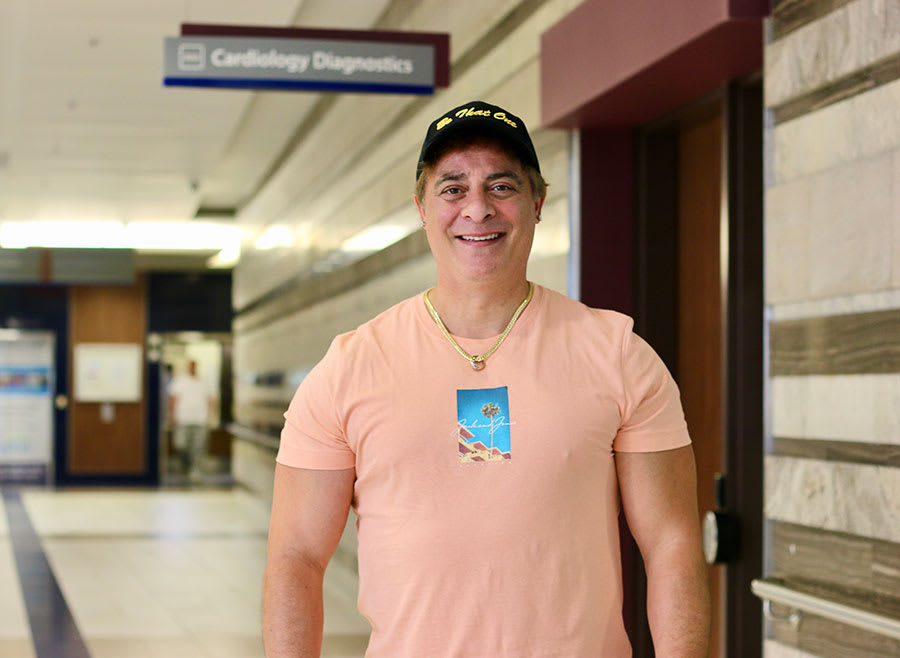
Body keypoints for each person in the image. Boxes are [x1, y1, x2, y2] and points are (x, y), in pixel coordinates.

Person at [263, 101, 710, 657]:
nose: (477, 209)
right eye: (452, 188)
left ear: (538, 202)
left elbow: (671, 544)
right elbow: (296, 557)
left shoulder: (618, 354)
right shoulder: (350, 367)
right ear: (422, 207)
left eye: (501, 186)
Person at [167, 360, 212, 481]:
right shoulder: (180, 381)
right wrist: (172, 416)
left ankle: (196, 471)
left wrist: (210, 416)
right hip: (183, 419)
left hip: (200, 419)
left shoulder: (203, 382)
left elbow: (209, 400)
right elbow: (172, 399)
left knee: (198, 447)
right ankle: (185, 466)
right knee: (181, 445)